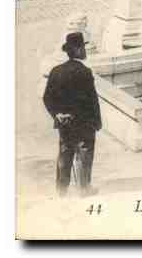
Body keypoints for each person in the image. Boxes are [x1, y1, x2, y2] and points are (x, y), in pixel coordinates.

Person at [42, 32, 102, 197]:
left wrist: (57, 114)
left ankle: (61, 191)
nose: (85, 50)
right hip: (84, 122)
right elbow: (92, 100)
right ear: (77, 50)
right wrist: (97, 121)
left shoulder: (56, 71)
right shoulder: (85, 72)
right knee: (84, 153)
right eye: (83, 47)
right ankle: (84, 189)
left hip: (65, 122)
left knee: (65, 154)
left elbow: (47, 97)